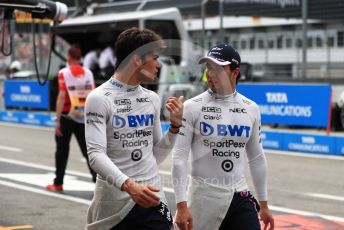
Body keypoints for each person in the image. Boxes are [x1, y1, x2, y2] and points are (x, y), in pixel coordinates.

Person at [84, 27, 184, 230]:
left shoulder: (152, 98)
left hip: (152, 196)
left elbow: (155, 156)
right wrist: (130, 186)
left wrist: (175, 127)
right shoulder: (99, 98)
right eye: (155, 58)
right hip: (114, 202)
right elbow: (95, 155)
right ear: (137, 59)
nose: (158, 64)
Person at [172, 43, 275, 230]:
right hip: (204, 198)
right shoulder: (191, 107)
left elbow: (257, 158)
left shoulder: (251, 108)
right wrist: (181, 205)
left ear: (234, 73)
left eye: (218, 68)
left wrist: (264, 204)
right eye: (208, 68)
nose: (210, 73)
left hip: (239, 196)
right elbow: (179, 158)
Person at [46, 47, 97, 192]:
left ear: (68, 56)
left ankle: (58, 183)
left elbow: (62, 95)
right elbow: (93, 94)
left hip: (67, 115)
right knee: (89, 151)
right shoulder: (88, 72)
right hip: (83, 115)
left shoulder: (64, 72)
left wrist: (57, 120)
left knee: (62, 150)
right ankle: (99, 183)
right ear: (80, 57)